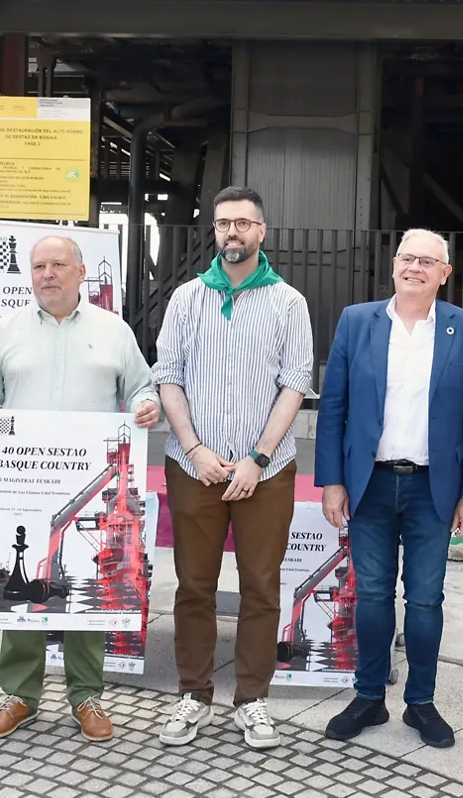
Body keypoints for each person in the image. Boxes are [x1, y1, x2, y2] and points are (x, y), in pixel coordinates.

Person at [0, 234, 161, 743]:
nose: (47, 274)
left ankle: (86, 695)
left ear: (80, 271)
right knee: (18, 585)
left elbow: (141, 386)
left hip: (86, 478)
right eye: (38, 267)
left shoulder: (113, 331)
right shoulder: (4, 332)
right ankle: (20, 694)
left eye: (57, 264)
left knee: (85, 583)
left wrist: (147, 405)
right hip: (25, 480)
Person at [314, 229, 463, 749]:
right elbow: (334, 407)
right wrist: (332, 481)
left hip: (433, 488)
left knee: (425, 600)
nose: (415, 267)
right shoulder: (357, 321)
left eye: (427, 261)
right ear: (394, 265)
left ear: (445, 273)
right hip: (368, 484)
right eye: (407, 258)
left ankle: (421, 703)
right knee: (371, 595)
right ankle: (369, 696)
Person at [151, 185, 314, 750]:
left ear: (261, 231)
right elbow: (168, 375)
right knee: (194, 585)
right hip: (193, 466)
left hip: (264, 470)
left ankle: (252, 699)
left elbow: (295, 384)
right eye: (223, 223)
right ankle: (193, 695)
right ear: (215, 231)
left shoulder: (288, 302)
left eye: (243, 223)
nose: (232, 233)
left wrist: (258, 458)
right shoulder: (187, 298)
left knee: (261, 587)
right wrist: (194, 448)